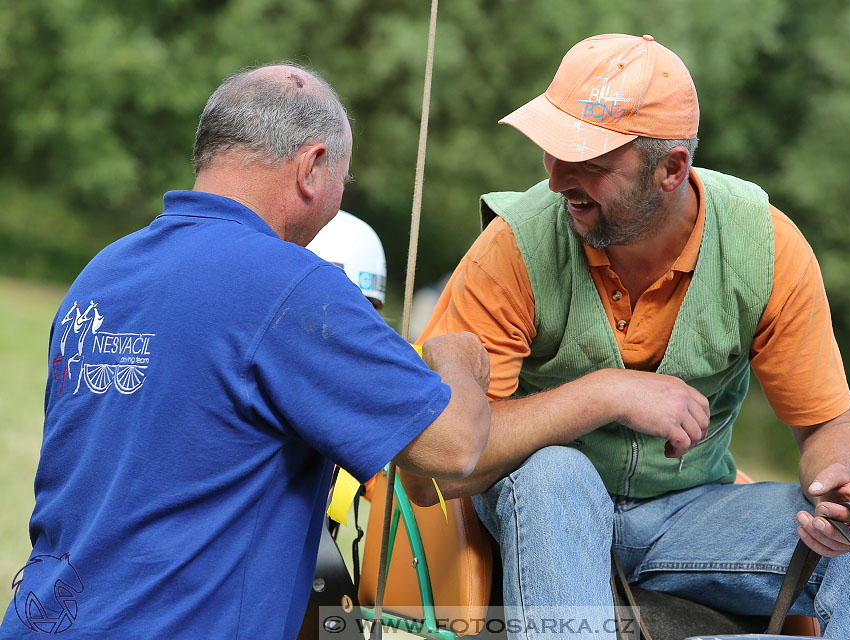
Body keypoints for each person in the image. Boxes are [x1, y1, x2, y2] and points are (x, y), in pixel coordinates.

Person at [408, 34, 850, 639]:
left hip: (692, 512)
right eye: (552, 151)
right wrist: (603, 393)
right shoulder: (512, 247)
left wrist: (842, 486)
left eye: (591, 164)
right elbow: (435, 470)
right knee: (555, 473)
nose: (557, 180)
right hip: (548, 512)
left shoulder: (768, 247)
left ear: (672, 169)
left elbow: (828, 423)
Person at [0, 63, 491, 640]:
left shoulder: (102, 274)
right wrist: (457, 356)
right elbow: (455, 447)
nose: (339, 198)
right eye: (343, 178)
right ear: (311, 167)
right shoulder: (291, 286)